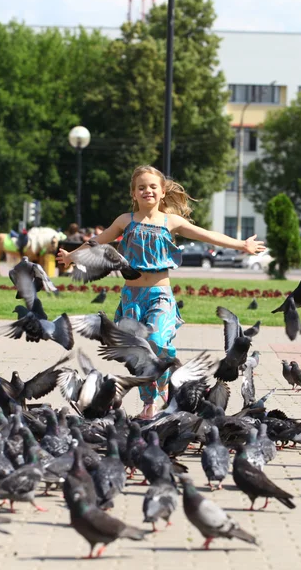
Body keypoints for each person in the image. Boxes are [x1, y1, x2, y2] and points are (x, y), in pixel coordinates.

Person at [56, 165, 265, 419]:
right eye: (141, 187)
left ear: (162, 192)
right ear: (133, 193)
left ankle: (165, 381)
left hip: (160, 296)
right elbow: (98, 241)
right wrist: (71, 256)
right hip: (132, 299)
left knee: (157, 342)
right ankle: (149, 403)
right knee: (140, 352)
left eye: (153, 187)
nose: (148, 191)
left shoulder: (171, 221)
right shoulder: (125, 221)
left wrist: (241, 244)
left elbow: (207, 235)